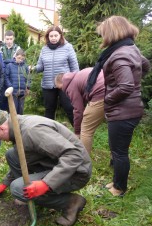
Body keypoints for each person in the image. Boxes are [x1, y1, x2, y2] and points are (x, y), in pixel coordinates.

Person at [0, 110, 91, 226]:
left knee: (17, 188)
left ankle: (70, 202)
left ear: (1, 128)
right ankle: (31, 194)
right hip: (55, 163)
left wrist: (46, 184)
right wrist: (5, 183)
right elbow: (24, 157)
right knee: (12, 155)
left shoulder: (32, 131)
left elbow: (74, 156)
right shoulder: (17, 126)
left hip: (76, 172)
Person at [87, 16, 150, 196]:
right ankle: (117, 181)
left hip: (123, 112)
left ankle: (119, 188)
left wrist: (107, 100)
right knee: (118, 149)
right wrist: (136, 79)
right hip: (131, 109)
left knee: (119, 152)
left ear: (111, 33)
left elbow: (126, 86)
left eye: (103, 33)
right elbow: (144, 66)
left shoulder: (120, 54)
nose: (102, 37)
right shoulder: (130, 48)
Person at [33, 25, 79, 125]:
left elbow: (75, 68)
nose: (53, 38)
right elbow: (40, 66)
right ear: (48, 37)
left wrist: (74, 83)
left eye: (55, 35)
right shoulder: (44, 49)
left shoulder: (68, 47)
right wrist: (32, 69)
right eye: (51, 36)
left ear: (60, 36)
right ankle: (49, 133)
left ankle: (79, 132)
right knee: (49, 110)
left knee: (69, 108)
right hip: (48, 84)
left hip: (65, 84)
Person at [55, 68, 105, 154]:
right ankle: (115, 160)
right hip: (115, 88)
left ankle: (84, 162)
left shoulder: (69, 85)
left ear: (61, 82)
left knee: (85, 129)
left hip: (101, 92)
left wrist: (77, 131)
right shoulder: (78, 75)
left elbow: (78, 110)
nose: (62, 91)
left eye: (60, 88)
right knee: (114, 124)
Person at [5, 48, 30, 115]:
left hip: (22, 92)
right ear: (15, 56)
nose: (20, 60)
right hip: (13, 92)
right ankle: (12, 124)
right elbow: (6, 77)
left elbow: (28, 77)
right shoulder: (9, 66)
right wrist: (10, 86)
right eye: (19, 58)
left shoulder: (25, 66)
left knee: (21, 110)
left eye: (22, 59)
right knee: (13, 109)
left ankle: (20, 123)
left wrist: (28, 87)